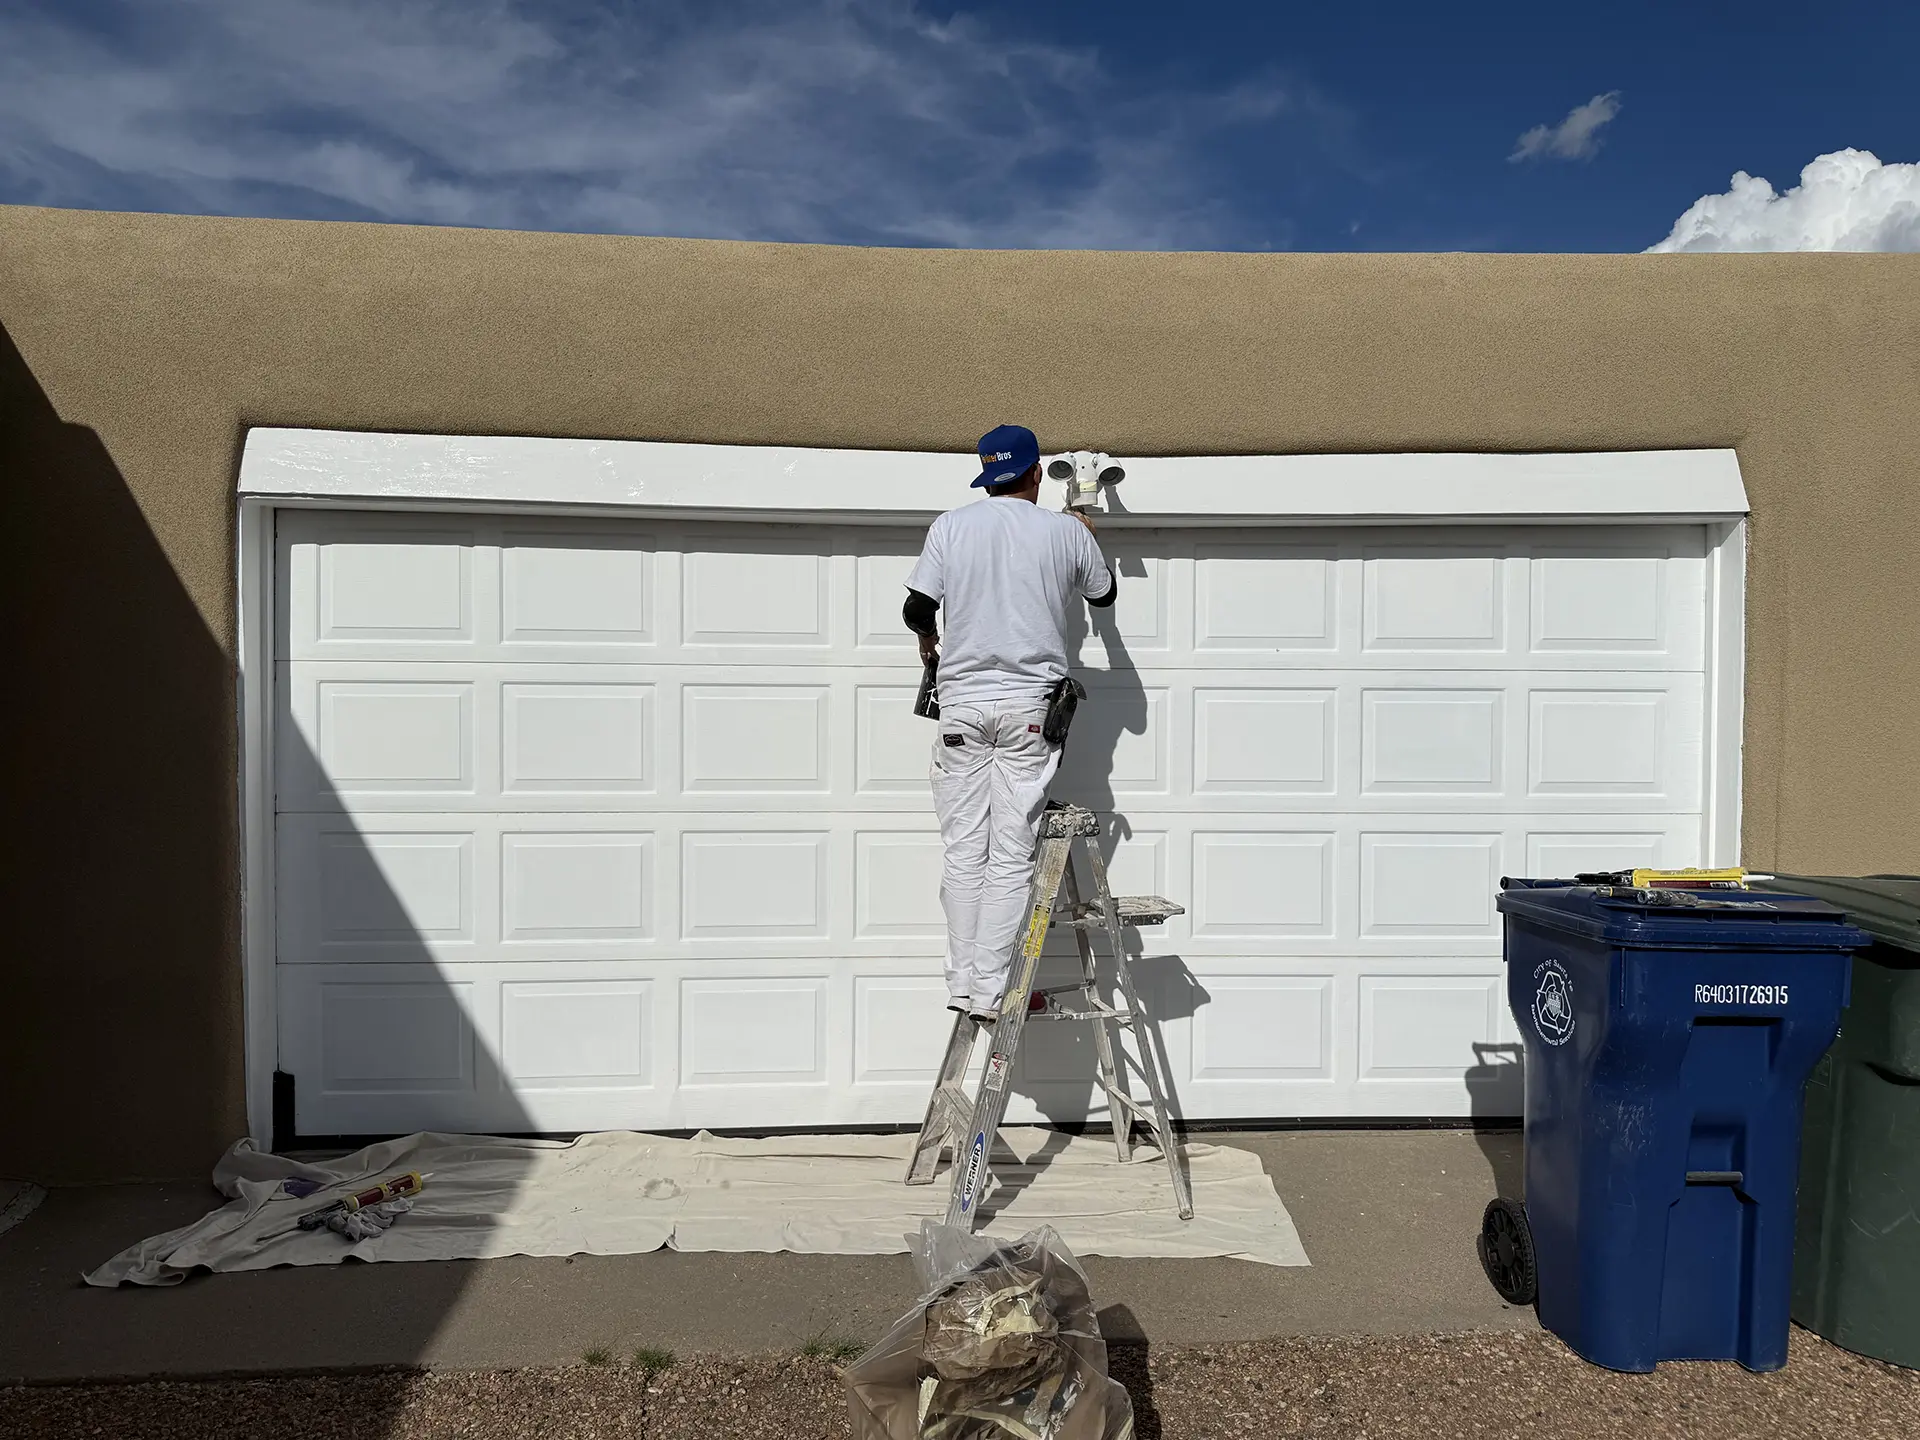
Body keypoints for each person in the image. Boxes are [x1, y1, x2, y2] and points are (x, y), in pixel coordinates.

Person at [902, 424, 1117, 1021]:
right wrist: (1084, 533)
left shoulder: (952, 526)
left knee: (963, 850)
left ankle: (961, 985)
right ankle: (991, 992)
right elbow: (1103, 597)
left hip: (962, 708)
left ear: (987, 476)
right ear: (1036, 473)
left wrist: (928, 640)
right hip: (1027, 710)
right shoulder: (1064, 531)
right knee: (1011, 854)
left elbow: (917, 607)